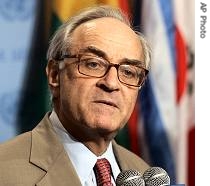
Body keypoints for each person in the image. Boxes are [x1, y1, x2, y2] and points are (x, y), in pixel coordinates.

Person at [0, 5, 151, 186]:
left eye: (128, 72)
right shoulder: (5, 172)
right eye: (93, 64)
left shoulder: (142, 172)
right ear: (55, 75)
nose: (111, 84)